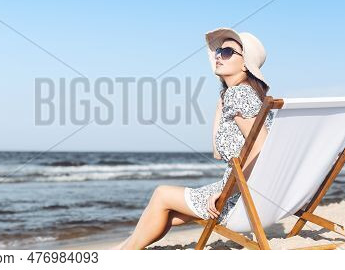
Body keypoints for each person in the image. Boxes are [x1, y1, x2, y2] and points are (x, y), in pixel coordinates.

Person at [110, 27, 274, 250]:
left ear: (245, 64)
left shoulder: (240, 94)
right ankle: (121, 250)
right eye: (218, 51)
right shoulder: (243, 95)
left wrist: (226, 192)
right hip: (257, 195)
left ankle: (122, 255)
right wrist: (222, 101)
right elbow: (219, 152)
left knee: (162, 194)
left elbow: (262, 148)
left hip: (240, 198)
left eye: (228, 52)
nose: (218, 56)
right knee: (167, 211)